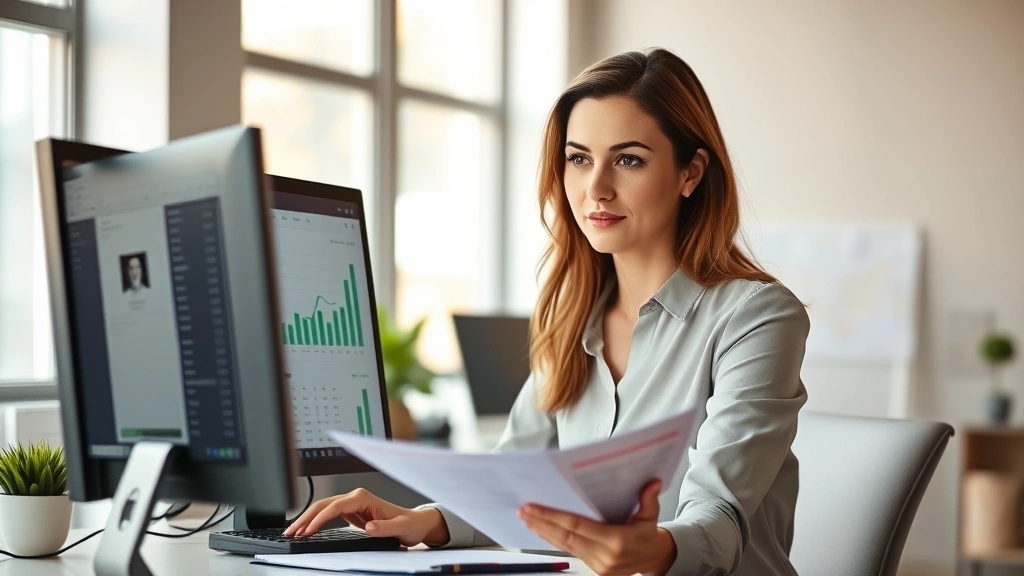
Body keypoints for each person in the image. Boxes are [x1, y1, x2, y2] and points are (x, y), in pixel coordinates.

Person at [286, 47, 809, 576]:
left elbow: (719, 515)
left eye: (629, 160)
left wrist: (655, 549)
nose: (595, 188)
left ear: (690, 173)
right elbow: (511, 483)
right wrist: (425, 520)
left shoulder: (756, 317)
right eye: (579, 158)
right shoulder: (570, 316)